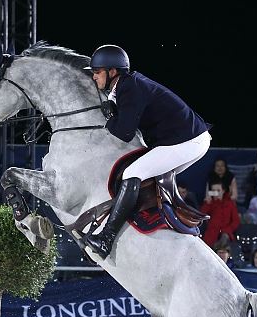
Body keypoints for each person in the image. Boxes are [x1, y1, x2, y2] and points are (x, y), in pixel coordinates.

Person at [83, 44, 212, 259]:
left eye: (97, 73)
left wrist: (109, 119)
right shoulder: (126, 85)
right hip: (189, 139)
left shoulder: (130, 87)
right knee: (143, 175)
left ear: (112, 71)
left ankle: (106, 239)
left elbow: (124, 132)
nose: (94, 78)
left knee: (132, 174)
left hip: (187, 142)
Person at [199, 182, 240, 248]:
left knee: (224, 239)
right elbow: (201, 215)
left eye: (218, 190)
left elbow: (236, 221)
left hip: (225, 234)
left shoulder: (230, 203)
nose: (216, 193)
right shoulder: (209, 203)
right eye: (213, 191)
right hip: (211, 234)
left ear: (223, 191)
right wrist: (207, 203)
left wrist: (226, 230)